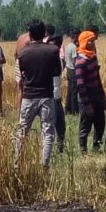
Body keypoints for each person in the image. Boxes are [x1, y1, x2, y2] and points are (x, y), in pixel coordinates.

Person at [14, 20, 63, 166]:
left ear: (30, 34)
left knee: (22, 130)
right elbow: (57, 72)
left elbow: (20, 78)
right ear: (44, 33)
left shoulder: (22, 54)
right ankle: (45, 165)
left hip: (28, 97)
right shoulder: (53, 51)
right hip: (46, 96)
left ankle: (16, 163)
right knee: (47, 132)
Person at [75, 29, 106, 152]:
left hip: (96, 94)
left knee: (100, 123)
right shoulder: (80, 61)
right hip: (86, 96)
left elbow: (97, 77)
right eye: (90, 41)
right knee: (85, 125)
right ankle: (83, 150)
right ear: (83, 43)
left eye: (93, 41)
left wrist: (102, 95)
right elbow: (80, 85)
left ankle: (96, 148)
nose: (93, 43)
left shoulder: (92, 57)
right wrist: (87, 105)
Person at [64, 27, 80, 114]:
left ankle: (67, 109)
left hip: (68, 70)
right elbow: (75, 61)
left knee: (70, 91)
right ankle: (74, 110)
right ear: (75, 36)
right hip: (73, 71)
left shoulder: (68, 46)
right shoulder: (74, 47)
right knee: (74, 92)